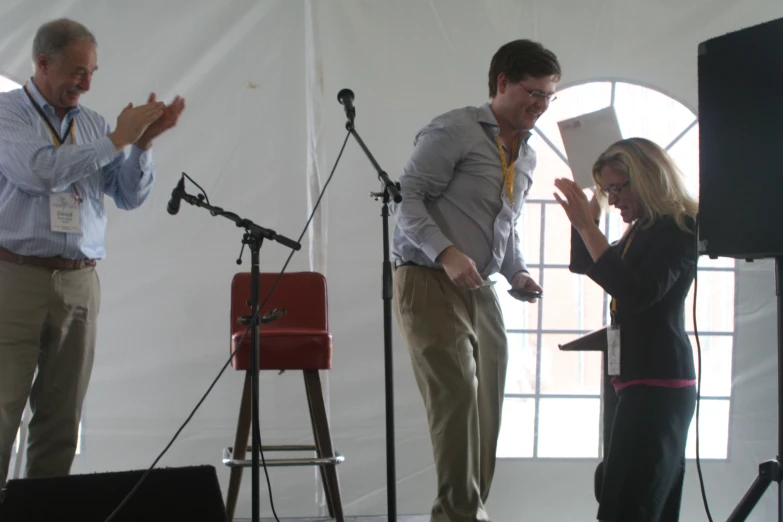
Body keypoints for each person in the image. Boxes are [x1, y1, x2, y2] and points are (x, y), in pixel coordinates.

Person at [0, 18, 185, 486]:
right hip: (16, 279)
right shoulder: (7, 114)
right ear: (43, 63)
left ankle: (39, 514)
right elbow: (42, 173)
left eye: (93, 73)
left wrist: (141, 146)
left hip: (80, 283)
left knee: (62, 421)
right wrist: (116, 140)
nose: (86, 83)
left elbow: (127, 195)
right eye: (78, 71)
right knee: (3, 412)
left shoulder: (96, 124)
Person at [391, 39, 561, 522]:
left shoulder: (525, 154)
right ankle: (460, 514)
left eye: (550, 97)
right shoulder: (454, 129)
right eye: (534, 92)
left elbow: (504, 224)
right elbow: (407, 199)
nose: (541, 105)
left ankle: (465, 511)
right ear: (502, 82)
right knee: (457, 398)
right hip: (427, 277)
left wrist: (517, 270)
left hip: (480, 287)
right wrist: (445, 253)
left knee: (487, 402)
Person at [553, 137, 698, 522]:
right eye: (606, 190)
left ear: (648, 177)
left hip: (661, 384)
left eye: (618, 188)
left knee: (632, 503)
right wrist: (587, 218)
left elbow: (637, 294)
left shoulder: (679, 228)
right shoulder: (642, 229)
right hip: (635, 380)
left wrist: (590, 228)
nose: (614, 198)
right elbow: (587, 263)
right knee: (620, 493)